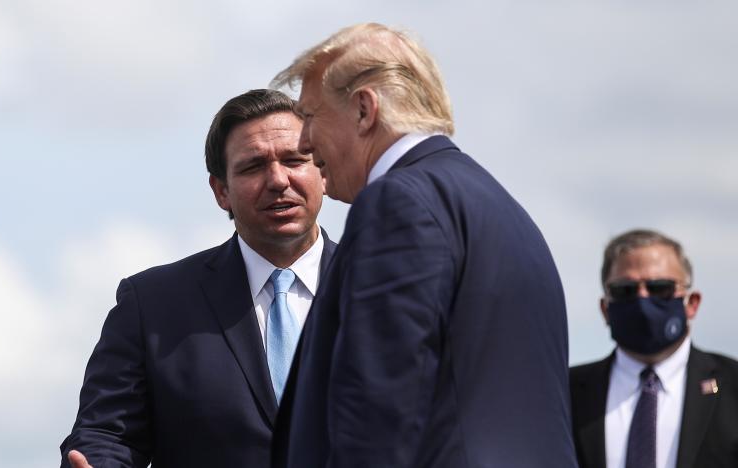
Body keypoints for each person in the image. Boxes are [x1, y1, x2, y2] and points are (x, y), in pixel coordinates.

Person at [269, 23, 577, 468]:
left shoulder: (399, 202)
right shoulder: (496, 206)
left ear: (363, 110)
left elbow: (379, 402)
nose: (302, 140)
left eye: (310, 116)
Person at [59, 89, 335, 468]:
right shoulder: (153, 304)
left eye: (294, 160)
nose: (277, 179)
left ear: (322, 169)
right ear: (221, 190)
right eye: (253, 166)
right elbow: (108, 435)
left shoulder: (386, 288)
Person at [570, 229, 738, 468]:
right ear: (605, 308)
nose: (642, 300)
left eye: (660, 288)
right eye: (625, 290)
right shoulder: (566, 393)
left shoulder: (732, 386)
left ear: (692, 303)